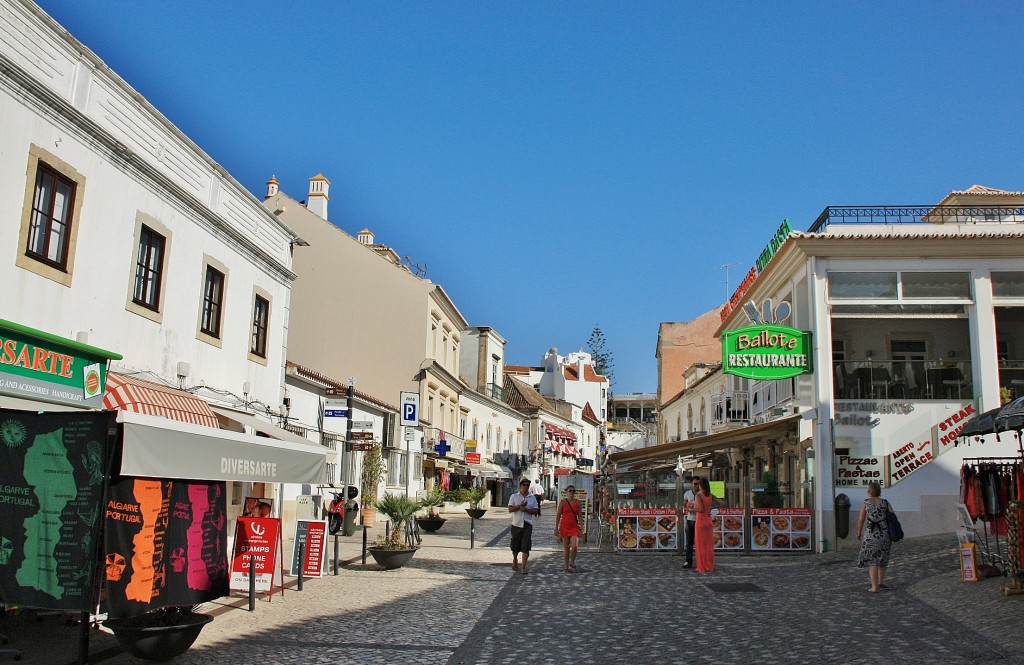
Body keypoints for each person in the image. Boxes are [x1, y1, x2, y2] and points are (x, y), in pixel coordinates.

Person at [856, 481, 892, 592]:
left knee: (873, 560)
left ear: (869, 491)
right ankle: (881, 582)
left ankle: (874, 587)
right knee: (882, 558)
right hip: (885, 534)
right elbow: (892, 516)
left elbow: (861, 519)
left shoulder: (866, 502)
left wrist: (859, 532)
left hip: (871, 533)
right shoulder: (885, 502)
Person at [508, 478, 538, 574]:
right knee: (515, 545)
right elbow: (510, 509)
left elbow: (536, 511)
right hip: (516, 524)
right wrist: (519, 506)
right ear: (520, 486)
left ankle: (524, 567)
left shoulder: (532, 497)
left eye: (527, 485)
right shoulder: (514, 496)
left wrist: (527, 510)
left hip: (527, 524)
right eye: (524, 485)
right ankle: (515, 559)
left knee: (526, 545)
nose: (526, 487)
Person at [555, 485, 583, 573]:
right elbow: (558, 515)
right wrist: (556, 528)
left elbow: (580, 516)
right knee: (566, 548)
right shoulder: (563, 502)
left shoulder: (578, 502)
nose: (571, 493)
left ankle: (572, 562)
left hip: (574, 527)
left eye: (573, 491)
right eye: (570, 491)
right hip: (564, 526)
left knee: (575, 546)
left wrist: (582, 527)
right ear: (566, 492)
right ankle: (566, 566)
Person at [694, 477, 715, 573]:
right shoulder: (710, 495)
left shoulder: (699, 496)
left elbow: (700, 509)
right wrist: (711, 508)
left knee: (700, 544)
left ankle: (702, 566)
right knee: (708, 545)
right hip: (708, 520)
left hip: (701, 521)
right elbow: (723, 502)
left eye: (698, 484)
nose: (697, 486)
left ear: (701, 485)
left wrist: (691, 509)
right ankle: (709, 565)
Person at [682, 477, 699, 569]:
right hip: (690, 519)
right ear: (692, 484)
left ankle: (700, 561)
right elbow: (684, 505)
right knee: (689, 541)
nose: (697, 486)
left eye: (698, 484)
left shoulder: (702, 494)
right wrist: (687, 509)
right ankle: (688, 560)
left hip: (699, 520)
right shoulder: (687, 494)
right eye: (695, 484)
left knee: (699, 541)